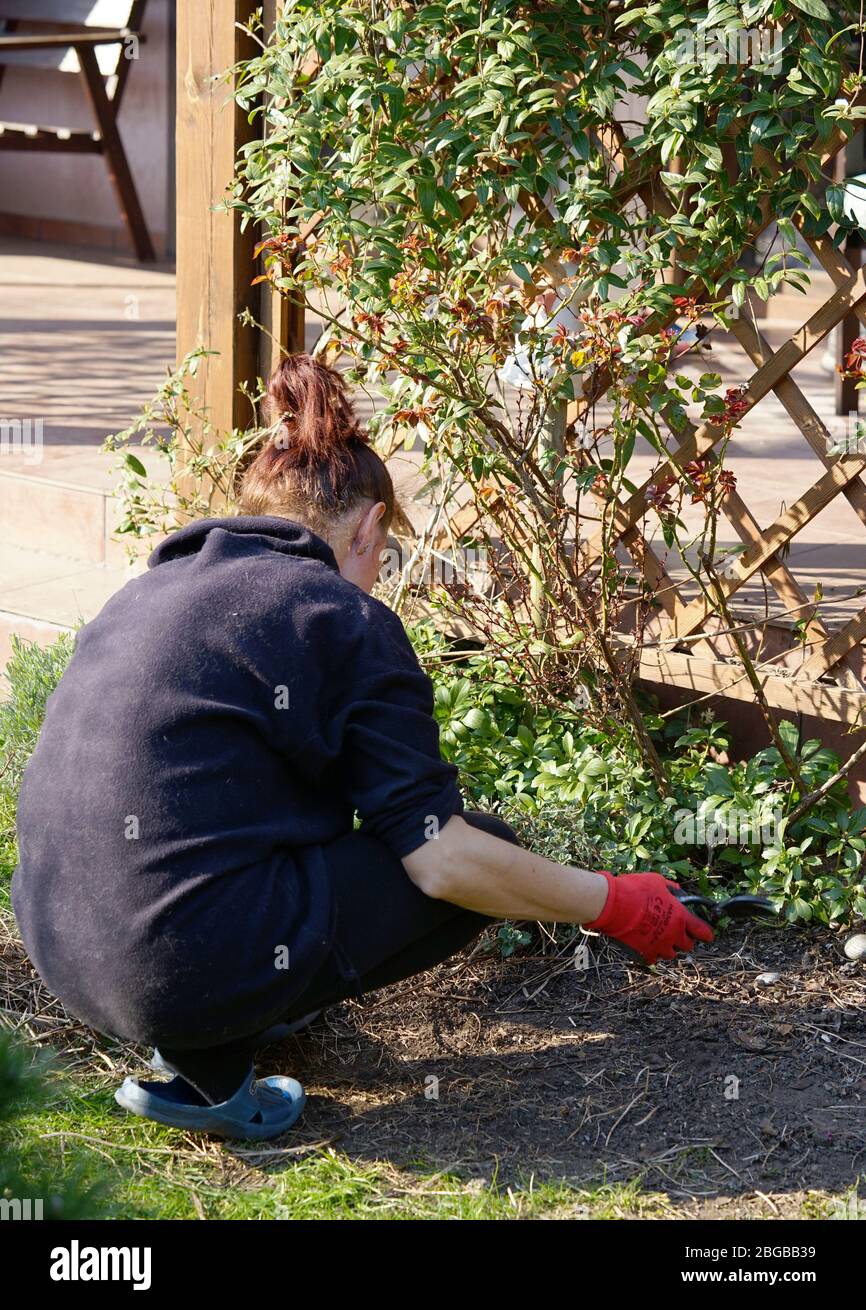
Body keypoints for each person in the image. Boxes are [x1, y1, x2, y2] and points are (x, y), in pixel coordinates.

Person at [12, 355, 713, 1141]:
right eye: (385, 552)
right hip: (168, 968)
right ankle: (211, 1067)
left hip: (63, 946)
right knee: (481, 849)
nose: (379, 574)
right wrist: (612, 902)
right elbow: (441, 859)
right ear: (369, 528)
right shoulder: (339, 615)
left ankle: (226, 1013)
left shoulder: (146, 593)